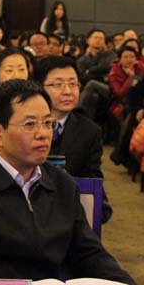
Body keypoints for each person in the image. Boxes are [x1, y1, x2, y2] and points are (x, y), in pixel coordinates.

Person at [0, 79, 136, 284]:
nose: (43, 134)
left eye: (48, 123)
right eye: (30, 125)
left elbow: (90, 254)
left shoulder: (62, 184)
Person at [35, 56, 114, 220]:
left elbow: (91, 178)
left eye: (73, 84)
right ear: (39, 88)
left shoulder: (89, 132)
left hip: (67, 210)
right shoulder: (24, 125)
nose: (67, 91)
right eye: (58, 85)